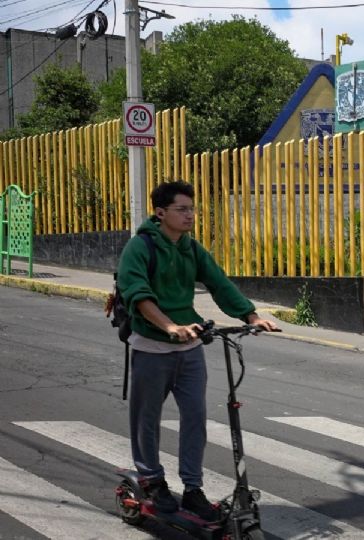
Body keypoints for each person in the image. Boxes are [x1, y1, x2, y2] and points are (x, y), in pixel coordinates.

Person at [117, 180, 279, 520]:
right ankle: (152, 481)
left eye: (192, 208)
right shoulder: (140, 247)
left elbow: (218, 282)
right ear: (161, 213)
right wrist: (169, 326)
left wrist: (250, 315)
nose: (190, 215)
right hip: (151, 347)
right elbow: (139, 295)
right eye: (182, 209)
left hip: (189, 349)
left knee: (195, 418)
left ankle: (192, 488)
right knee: (147, 420)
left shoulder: (191, 248)